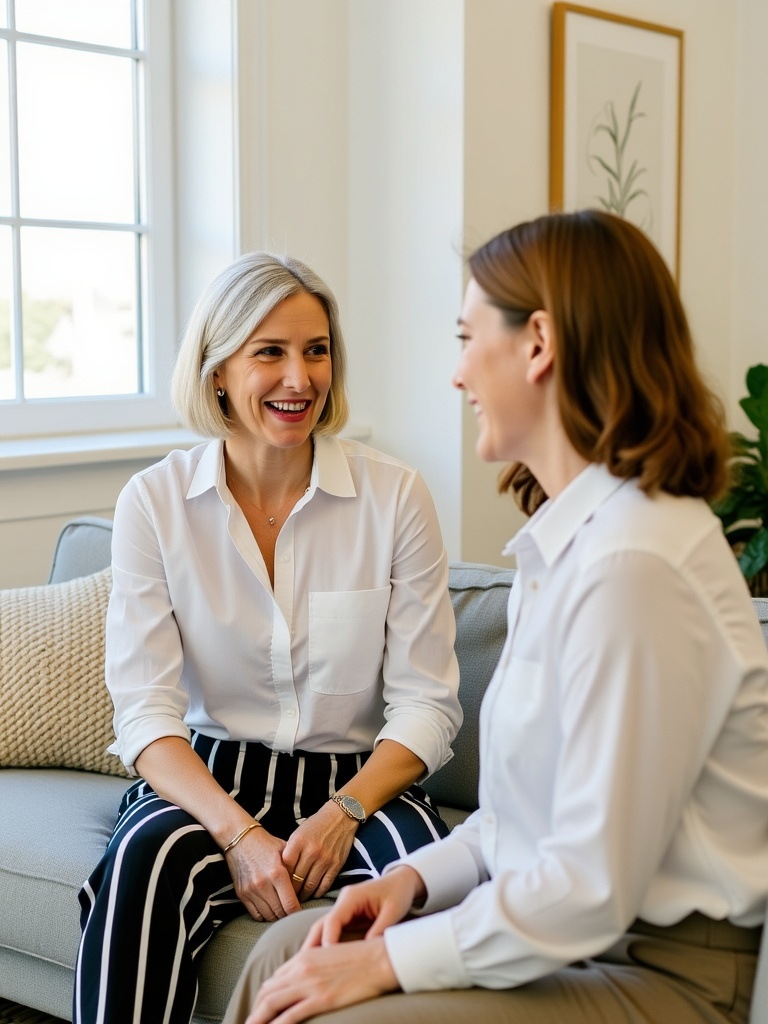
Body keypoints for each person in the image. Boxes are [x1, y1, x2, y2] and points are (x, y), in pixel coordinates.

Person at [222, 210, 768, 1024]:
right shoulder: (569, 546)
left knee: (332, 1011)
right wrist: (409, 881)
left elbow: (588, 884)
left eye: (467, 336)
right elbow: (519, 819)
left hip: (657, 971)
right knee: (284, 953)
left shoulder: (637, 566)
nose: (458, 373)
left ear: (539, 343)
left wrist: (389, 960)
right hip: (570, 942)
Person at [72, 252, 462, 1024]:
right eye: (270, 353)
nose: (300, 378)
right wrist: (241, 835)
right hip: (209, 784)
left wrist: (344, 811)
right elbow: (146, 717)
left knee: (434, 887)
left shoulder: (396, 496)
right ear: (218, 371)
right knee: (143, 868)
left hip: (361, 786)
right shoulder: (154, 503)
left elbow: (428, 706)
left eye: (316, 351)